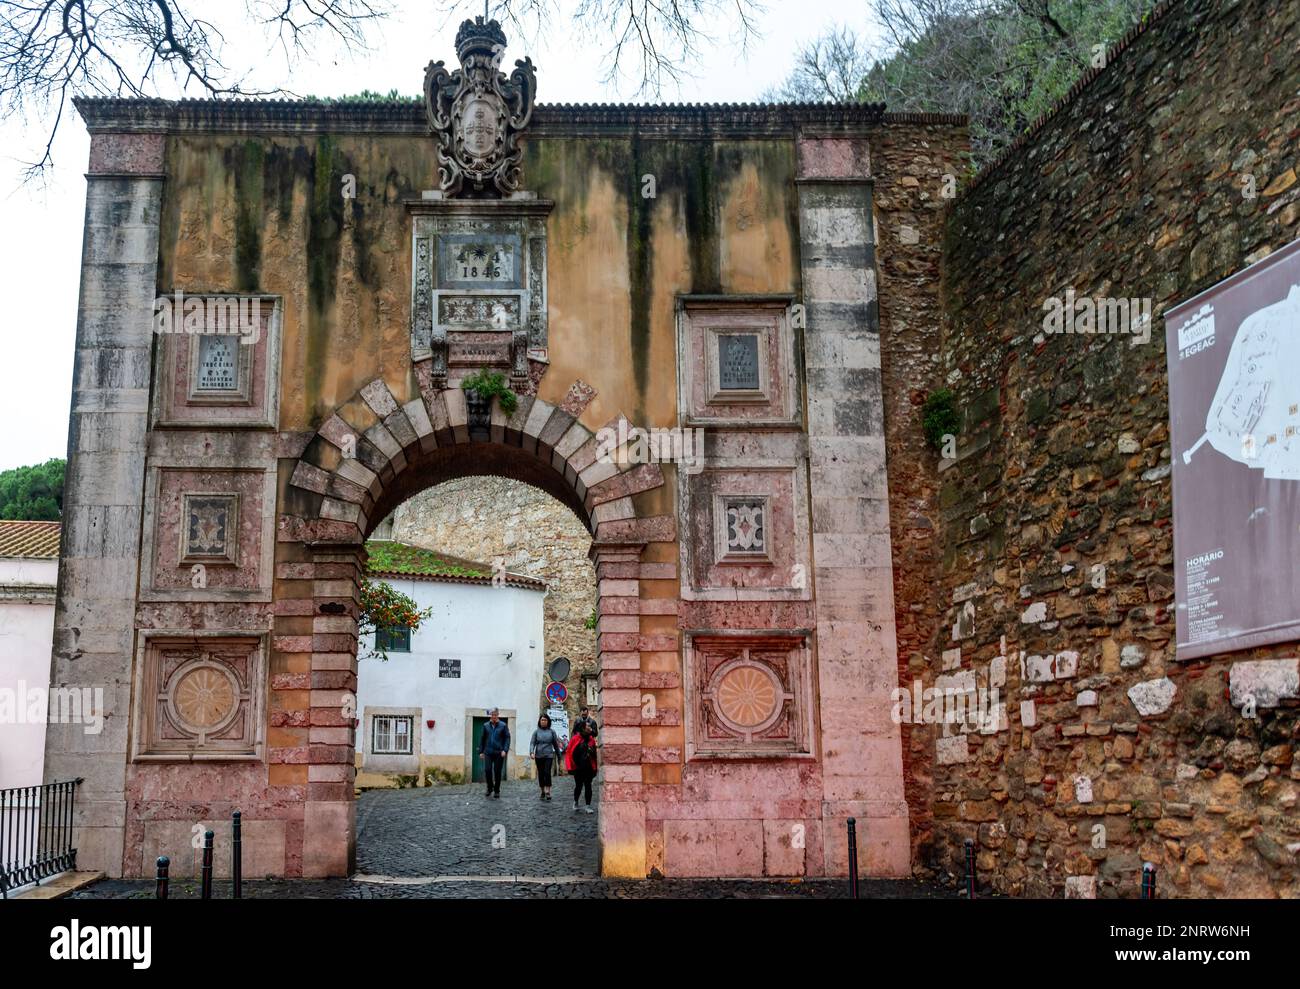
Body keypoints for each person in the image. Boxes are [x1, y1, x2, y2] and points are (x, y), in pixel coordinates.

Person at [564, 721, 598, 813]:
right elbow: (569, 752)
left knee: (588, 786)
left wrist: (595, 766)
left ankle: (588, 806)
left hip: (589, 767)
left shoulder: (591, 739)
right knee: (578, 786)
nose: (589, 727)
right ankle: (576, 801)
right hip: (578, 767)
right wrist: (570, 766)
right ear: (583, 727)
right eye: (587, 726)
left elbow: (594, 755)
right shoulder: (575, 738)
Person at [529, 713, 564, 801]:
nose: (543, 722)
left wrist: (559, 757)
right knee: (541, 773)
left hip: (549, 755)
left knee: (547, 772)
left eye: (545, 720)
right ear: (539, 721)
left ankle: (548, 791)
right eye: (542, 720)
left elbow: (556, 745)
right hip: (539, 755)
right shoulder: (536, 732)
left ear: (548, 721)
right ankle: (542, 791)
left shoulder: (552, 732)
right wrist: (531, 752)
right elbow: (532, 743)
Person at [478, 708, 510, 799]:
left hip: (499, 752)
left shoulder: (503, 725)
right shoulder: (486, 725)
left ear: (498, 715)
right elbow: (482, 739)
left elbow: (507, 738)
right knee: (487, 770)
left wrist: (505, 750)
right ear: (490, 715)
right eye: (492, 715)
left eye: (495, 715)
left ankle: (496, 790)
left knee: (497, 772)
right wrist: (481, 751)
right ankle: (490, 787)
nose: (494, 716)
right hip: (488, 752)